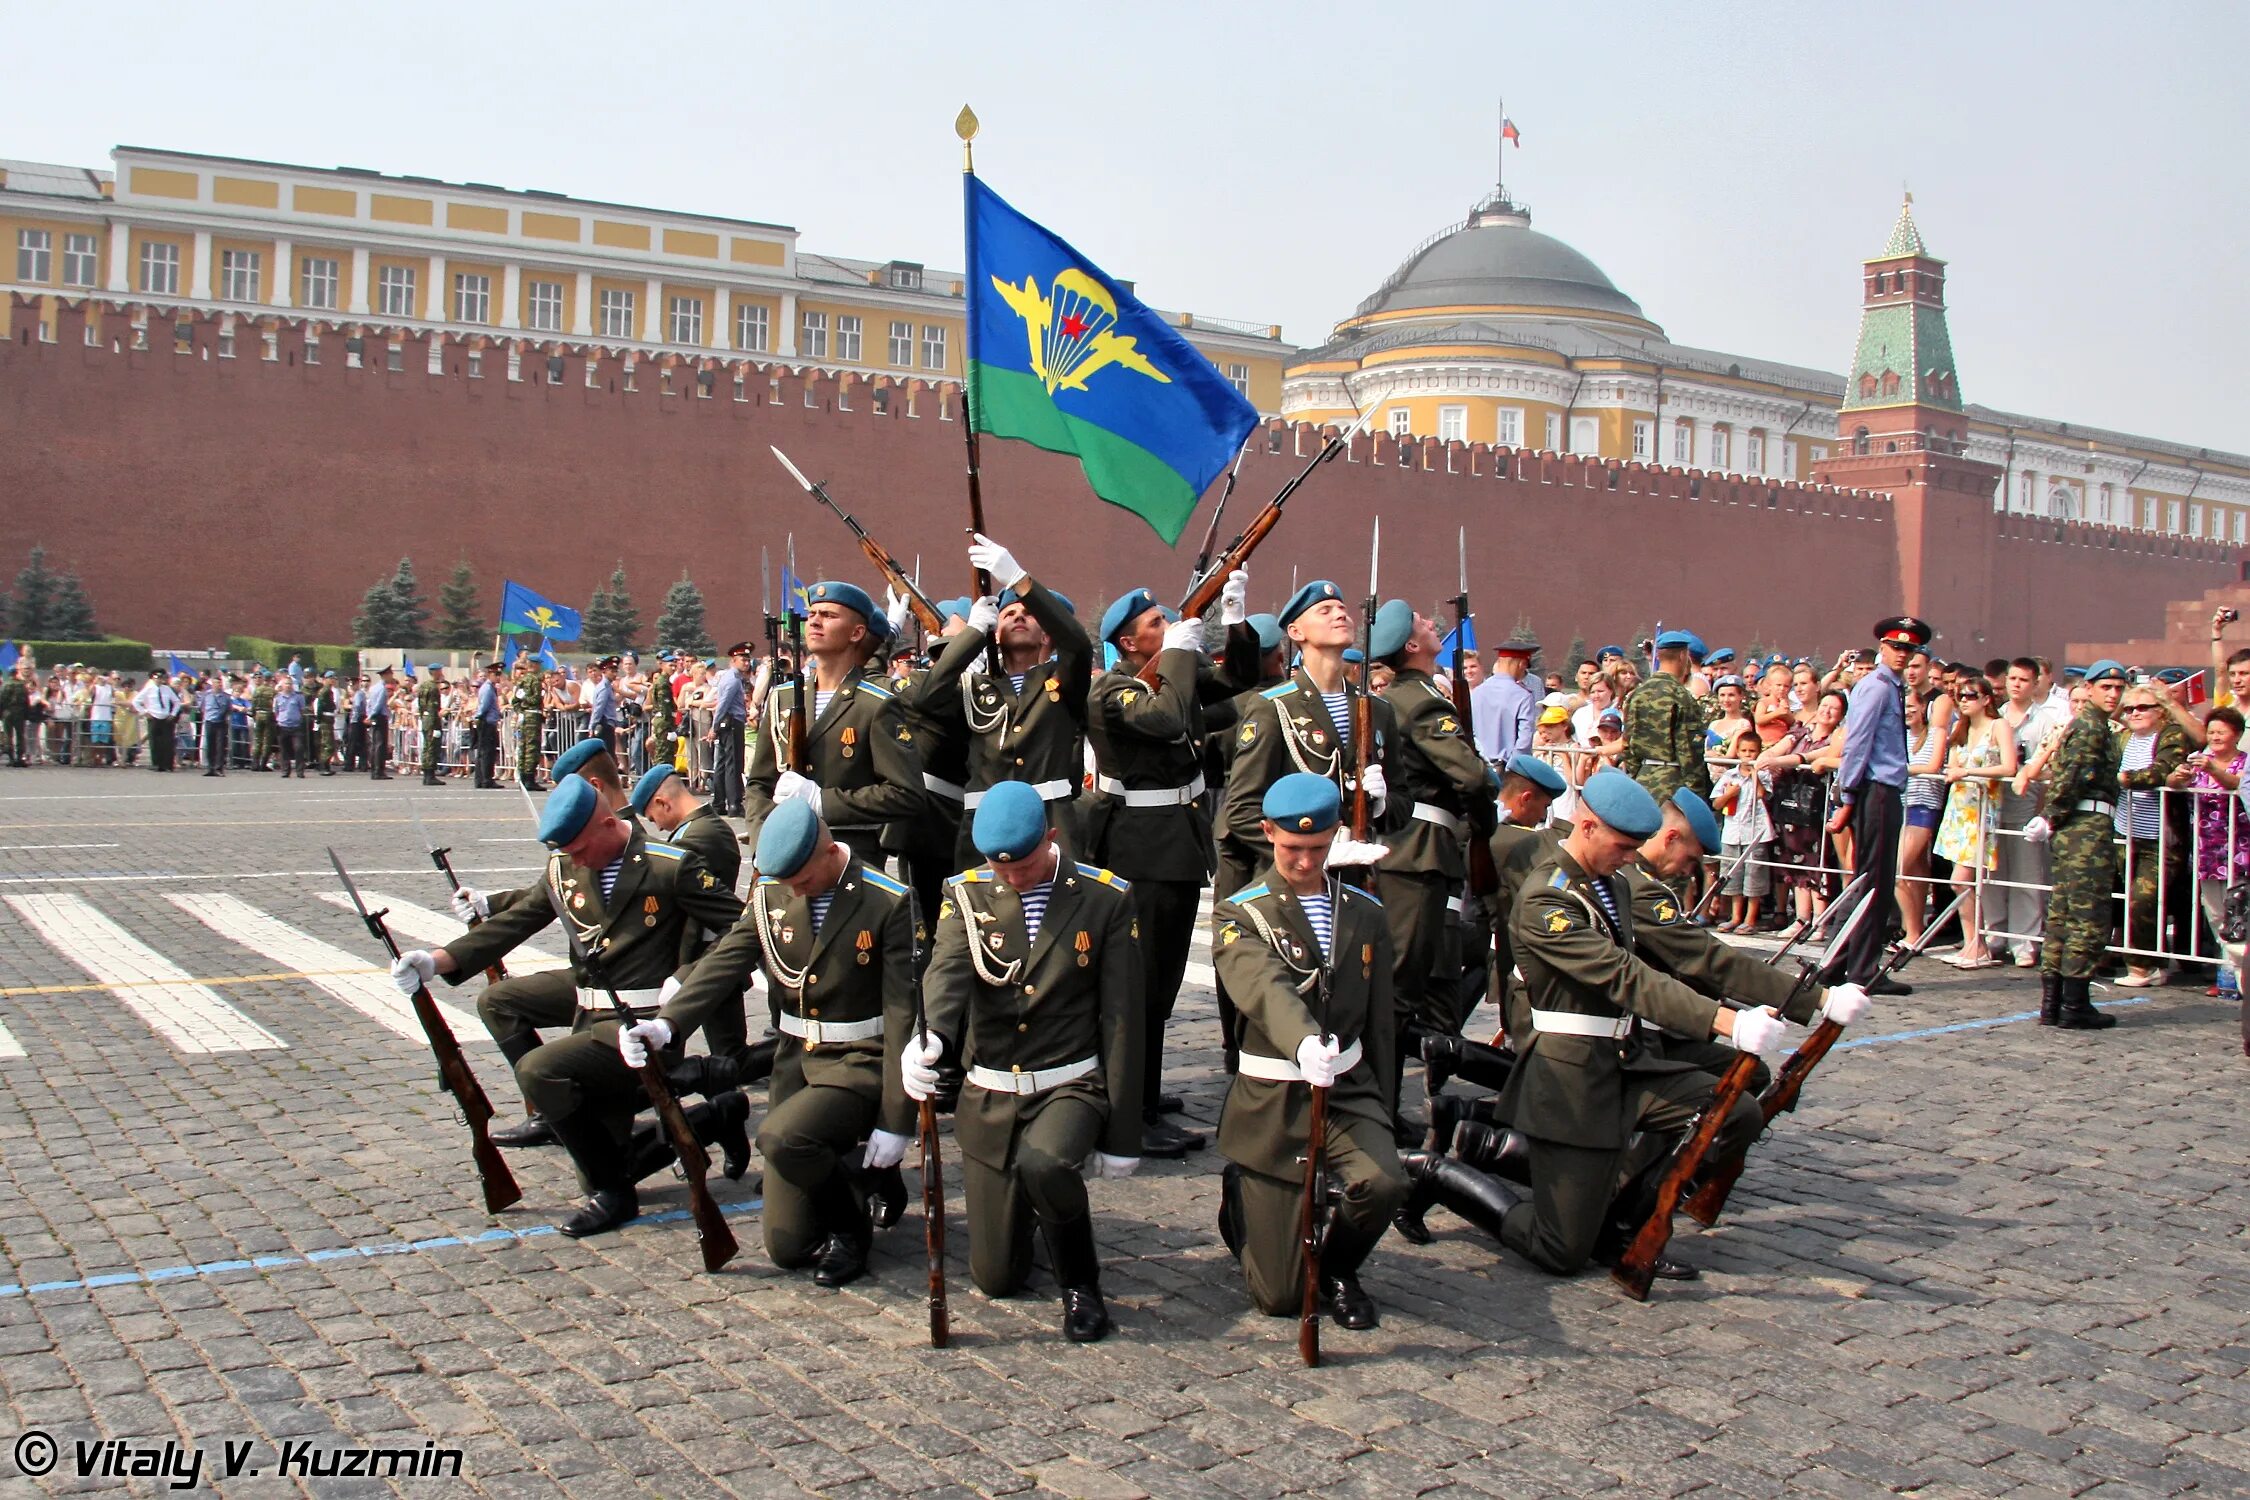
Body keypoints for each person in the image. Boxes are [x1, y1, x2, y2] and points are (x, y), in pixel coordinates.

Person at [1398, 771, 1789, 1279]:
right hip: (1572, 1079)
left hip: (1627, 1063)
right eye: (1623, 846)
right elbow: (1627, 978)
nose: (1631, 858)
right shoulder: (1548, 900)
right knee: (1559, 1252)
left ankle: (1622, 1227)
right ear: (1586, 826)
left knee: (1735, 1114)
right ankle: (1435, 1173)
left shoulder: (1612, 887)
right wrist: (1725, 1021)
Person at [390, 775, 749, 1236]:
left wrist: (684, 978)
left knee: (539, 1070)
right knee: (597, 1163)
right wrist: (437, 961)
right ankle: (714, 1115)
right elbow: (515, 923)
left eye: (580, 849)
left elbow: (739, 929)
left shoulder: (670, 866)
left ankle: (618, 1195)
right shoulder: (565, 867)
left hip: (642, 1026)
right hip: (590, 1021)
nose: (574, 860)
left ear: (606, 824)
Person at [903, 781, 1143, 1343]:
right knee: (997, 1277)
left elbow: (1122, 1017)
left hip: (1069, 1081)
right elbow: (947, 974)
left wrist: (1123, 1132)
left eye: (1024, 865)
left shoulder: (1104, 897)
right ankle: (1034, 1213)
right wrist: (931, 1037)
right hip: (990, 1093)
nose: (1011, 877)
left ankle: (1081, 1284)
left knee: (1047, 1164)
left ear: (1051, 840)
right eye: (998, 867)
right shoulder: (965, 894)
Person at [667, 799, 917, 1284]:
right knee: (789, 1247)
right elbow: (726, 959)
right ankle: (863, 1175)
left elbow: (903, 1013)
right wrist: (669, 1023)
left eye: (802, 881)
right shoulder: (771, 896)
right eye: (786, 883)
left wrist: (896, 1119)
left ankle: (851, 1233)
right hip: (795, 1064)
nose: (794, 892)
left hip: (859, 1059)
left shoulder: (887, 900)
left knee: (782, 1138)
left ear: (828, 851)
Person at [1211, 773, 1407, 1330]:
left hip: (1347, 1088)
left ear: (1335, 837)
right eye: (1292, 848)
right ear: (1268, 833)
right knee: (1280, 1297)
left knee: (1384, 1181)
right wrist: (1301, 1040)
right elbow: (1263, 987)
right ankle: (1242, 1209)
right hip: (1275, 1096)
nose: (1303, 861)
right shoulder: (1241, 913)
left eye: (1317, 849)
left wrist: (1383, 1106)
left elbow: (1380, 1022)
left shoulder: (1364, 912)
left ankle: (1341, 1268)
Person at [1214, 580, 1403, 1073]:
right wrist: (1314, 853)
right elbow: (1240, 810)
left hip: (1350, 883)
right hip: (1281, 880)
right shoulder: (1272, 706)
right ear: (1295, 631)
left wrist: (1381, 805)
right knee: (1280, 995)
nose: (1339, 613)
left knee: (1352, 991)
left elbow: (1403, 804)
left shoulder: (1377, 710)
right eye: (1325, 609)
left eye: (1342, 607)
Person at [1086, 579, 1242, 1159]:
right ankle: (1132, 1113)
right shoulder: (1111, 691)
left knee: (1163, 986)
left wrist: (1235, 617)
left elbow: (1237, 681)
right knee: (1143, 989)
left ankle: (1145, 1095)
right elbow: (1170, 718)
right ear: (1129, 642)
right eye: (1158, 624)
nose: (1172, 625)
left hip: (1172, 850)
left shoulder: (1170, 674)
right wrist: (1179, 650)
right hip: (1141, 854)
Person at [1370, 599, 1500, 1099]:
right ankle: (1379, 1103)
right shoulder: (1420, 699)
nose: (1431, 624)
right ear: (1411, 645)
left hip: (1418, 848)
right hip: (1417, 849)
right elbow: (1468, 774)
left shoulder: (1405, 695)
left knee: (1421, 975)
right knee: (1402, 985)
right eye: (1423, 624)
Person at [919, 535, 1094, 865]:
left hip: (1049, 821)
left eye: (1029, 613)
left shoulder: (1061, 679)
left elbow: (1079, 646)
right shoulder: (972, 686)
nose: (1018, 616)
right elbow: (928, 698)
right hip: (983, 825)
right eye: (1008, 612)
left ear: (1046, 635)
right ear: (994, 632)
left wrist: (1020, 581)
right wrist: (972, 634)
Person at [743, 582, 922, 866]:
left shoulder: (877, 703)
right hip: (785, 855)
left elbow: (905, 794)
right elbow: (759, 784)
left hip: (847, 857)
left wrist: (823, 801)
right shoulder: (783, 697)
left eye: (829, 615)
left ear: (856, 632)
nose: (814, 620)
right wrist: (764, 842)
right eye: (812, 613)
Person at [1831, 617, 1926, 995]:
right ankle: (1861, 967)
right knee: (1875, 883)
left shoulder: (1890, 687)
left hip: (1880, 789)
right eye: (1896, 647)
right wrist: (1848, 795)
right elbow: (1858, 743)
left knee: (1871, 880)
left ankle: (1841, 961)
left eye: (1909, 649)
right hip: (1876, 790)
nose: (1902, 654)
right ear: (1883, 648)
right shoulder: (1877, 687)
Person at [2041, 661, 2127, 1029]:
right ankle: (2074, 1004)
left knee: (2063, 914)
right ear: (2089, 689)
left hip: (2078, 823)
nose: (2113, 694)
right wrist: (2051, 814)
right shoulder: (2092, 726)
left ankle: (2054, 1002)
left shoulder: (2090, 724)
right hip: (2086, 826)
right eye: (2106, 687)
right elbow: (2075, 774)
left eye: (2119, 688)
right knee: (2088, 917)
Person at [1933, 674, 2019, 969]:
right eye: (1960, 696)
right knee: (1960, 882)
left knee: (1962, 881)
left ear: (1986, 699)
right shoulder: (1961, 729)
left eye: (1970, 695)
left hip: (1981, 811)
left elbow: (2009, 766)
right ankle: (1973, 942)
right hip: (1959, 810)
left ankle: (1977, 943)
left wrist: (1968, 773)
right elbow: (1952, 766)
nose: (1964, 700)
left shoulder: (1998, 726)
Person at [2113, 681, 2191, 988]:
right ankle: (2156, 961)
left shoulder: (2170, 735)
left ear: (2160, 711)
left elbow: (2161, 771)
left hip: (2161, 836)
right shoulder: (2122, 739)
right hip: (2125, 831)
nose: (2134, 713)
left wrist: (2120, 777)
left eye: (2142, 707)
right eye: (2129, 708)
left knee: (2143, 899)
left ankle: (2141, 966)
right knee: (2133, 898)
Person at [2170, 707, 2247, 1003]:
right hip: (2207, 850)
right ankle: (2229, 972)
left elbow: (2238, 784)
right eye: (2211, 731)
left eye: (2221, 732)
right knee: (2215, 914)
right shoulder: (2200, 761)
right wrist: (2178, 776)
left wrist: (2213, 769)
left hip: (2238, 849)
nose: (2215, 737)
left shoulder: (2244, 763)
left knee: (2239, 914)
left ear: (2236, 735)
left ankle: (2242, 977)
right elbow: (2176, 785)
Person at [1622, 631, 1713, 804]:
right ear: (1682, 655)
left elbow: (1628, 742)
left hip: (1643, 780)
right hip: (1674, 784)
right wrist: (1697, 792)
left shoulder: (1638, 694)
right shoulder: (1681, 696)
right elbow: (1689, 748)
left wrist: (1637, 775)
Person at [1710, 727, 1774, 933]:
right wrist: (1729, 793)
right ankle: (1735, 917)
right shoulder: (1730, 775)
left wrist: (1754, 774)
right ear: (1737, 752)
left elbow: (1763, 795)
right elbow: (1717, 804)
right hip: (1732, 832)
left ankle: (1750, 919)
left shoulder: (1763, 774)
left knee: (1753, 876)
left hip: (1755, 832)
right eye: (1744, 751)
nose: (1748, 755)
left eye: (1752, 752)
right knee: (1732, 875)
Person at [1471, 639, 1537, 763]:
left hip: (1480, 765)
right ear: (1521, 664)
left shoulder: (1478, 692)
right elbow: (1524, 740)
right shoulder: (1523, 695)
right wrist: (1515, 768)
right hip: (1507, 767)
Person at [706, 643, 753, 817]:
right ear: (733, 660)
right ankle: (734, 804)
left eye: (748, 660)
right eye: (743, 659)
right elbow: (723, 704)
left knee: (723, 764)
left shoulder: (732, 678)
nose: (747, 663)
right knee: (733, 764)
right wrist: (714, 726)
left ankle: (719, 802)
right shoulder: (733, 680)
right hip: (732, 723)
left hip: (729, 722)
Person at [134, 671, 181, 773]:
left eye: (161, 678)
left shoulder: (167, 689)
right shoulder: (148, 689)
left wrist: (173, 714)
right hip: (154, 717)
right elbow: (136, 701)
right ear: (153, 679)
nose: (159, 680)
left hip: (166, 718)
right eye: (157, 678)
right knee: (155, 743)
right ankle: (156, 764)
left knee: (168, 742)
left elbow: (177, 702)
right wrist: (145, 712)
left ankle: (168, 764)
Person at [272, 673, 307, 778]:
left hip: (296, 726)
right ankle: (285, 771)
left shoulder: (298, 697)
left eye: (290, 684)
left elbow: (302, 710)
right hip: (282, 726)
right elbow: (276, 712)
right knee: (284, 749)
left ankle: (300, 771)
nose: (288, 685)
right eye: (286, 684)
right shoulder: (277, 698)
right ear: (282, 685)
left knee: (299, 748)